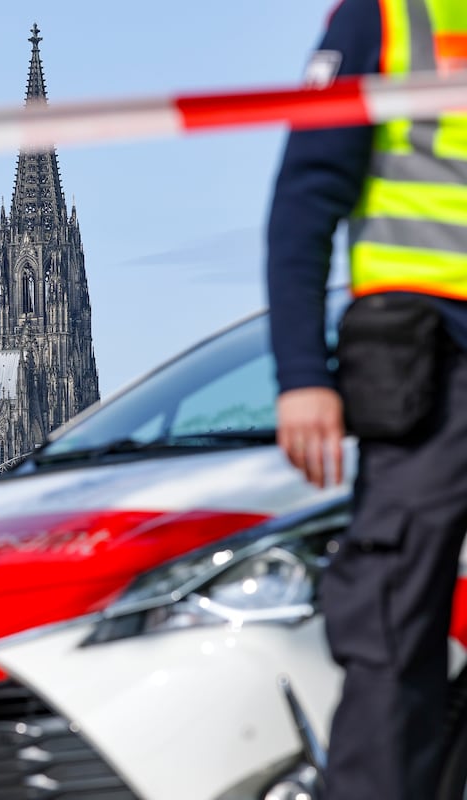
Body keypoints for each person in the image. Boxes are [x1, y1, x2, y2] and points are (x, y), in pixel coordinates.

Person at [267, 0, 467, 797]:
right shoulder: (387, 18)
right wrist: (302, 375)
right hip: (430, 361)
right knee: (392, 630)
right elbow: (304, 203)